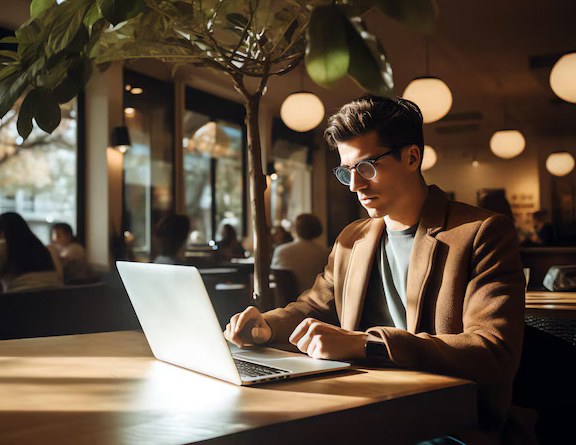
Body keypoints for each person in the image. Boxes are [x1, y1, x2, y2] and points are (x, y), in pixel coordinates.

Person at [224, 96, 531, 444]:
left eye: (367, 167)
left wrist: (368, 345)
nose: (355, 186)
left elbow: (493, 353)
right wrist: (266, 326)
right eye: (346, 171)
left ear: (412, 157)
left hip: (448, 422)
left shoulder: (482, 232)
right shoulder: (352, 239)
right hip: (359, 407)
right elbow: (310, 307)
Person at [0, 212, 63, 294]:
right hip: (56, 303)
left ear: (2, 233)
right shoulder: (42, 247)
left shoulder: (1, 246)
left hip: (21, 304)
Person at [271, 213, 329, 296]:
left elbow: (279, 283)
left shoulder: (281, 251)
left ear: (295, 228)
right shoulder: (325, 253)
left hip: (291, 303)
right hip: (319, 299)